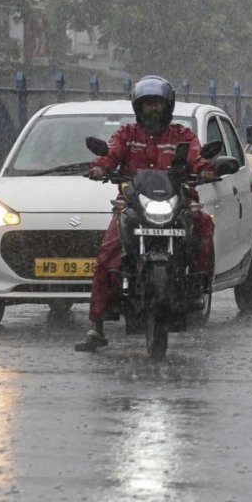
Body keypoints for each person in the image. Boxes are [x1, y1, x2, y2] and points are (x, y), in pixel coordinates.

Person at [74, 76, 218, 352]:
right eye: (147, 104)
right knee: (107, 254)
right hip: (132, 205)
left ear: (168, 106)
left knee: (204, 224)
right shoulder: (127, 134)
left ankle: (197, 288)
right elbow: (110, 155)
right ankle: (96, 326)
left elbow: (197, 158)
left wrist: (206, 170)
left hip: (176, 203)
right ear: (138, 108)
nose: (153, 109)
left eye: (157, 104)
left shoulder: (182, 135)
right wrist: (100, 167)